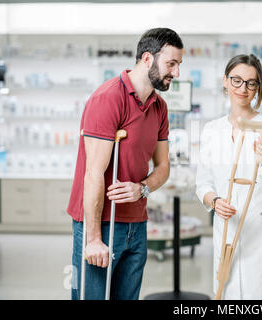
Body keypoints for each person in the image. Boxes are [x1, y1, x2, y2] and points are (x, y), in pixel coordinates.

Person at [67, 28, 183, 300]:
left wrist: (141, 188)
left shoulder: (159, 107)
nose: (176, 73)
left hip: (136, 223)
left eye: (179, 65)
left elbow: (163, 167)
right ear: (147, 59)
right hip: (101, 222)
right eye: (171, 64)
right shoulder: (108, 98)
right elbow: (93, 173)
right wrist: (93, 239)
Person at [195, 54, 262, 299]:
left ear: (258, 88)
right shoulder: (212, 130)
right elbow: (203, 183)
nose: (243, 88)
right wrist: (215, 202)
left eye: (251, 83)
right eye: (237, 80)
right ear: (225, 82)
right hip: (228, 231)